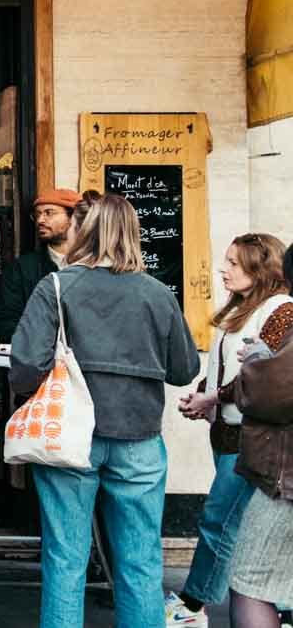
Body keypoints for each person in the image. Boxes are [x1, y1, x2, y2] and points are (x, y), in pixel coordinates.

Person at [11, 191, 201, 628]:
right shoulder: (157, 293)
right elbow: (183, 369)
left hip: (69, 436)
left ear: (84, 232)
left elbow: (24, 365)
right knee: (140, 562)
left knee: (65, 559)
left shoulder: (56, 287)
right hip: (140, 438)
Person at [168, 234, 292, 627]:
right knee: (232, 525)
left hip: (256, 438)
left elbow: (264, 377)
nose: (224, 269)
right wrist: (203, 397)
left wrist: (213, 398)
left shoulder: (280, 310)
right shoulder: (241, 308)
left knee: (220, 520)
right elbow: (230, 368)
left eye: (234, 263)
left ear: (261, 267)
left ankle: (191, 605)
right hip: (228, 432)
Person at [225, 243, 293, 628]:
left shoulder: (285, 315)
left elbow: (272, 394)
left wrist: (257, 357)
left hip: (286, 479)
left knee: (251, 583)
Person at [0, 187, 81, 343]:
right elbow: (5, 324)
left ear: (73, 218)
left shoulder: (93, 266)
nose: (40, 220)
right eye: (38, 214)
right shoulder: (21, 268)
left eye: (49, 213)